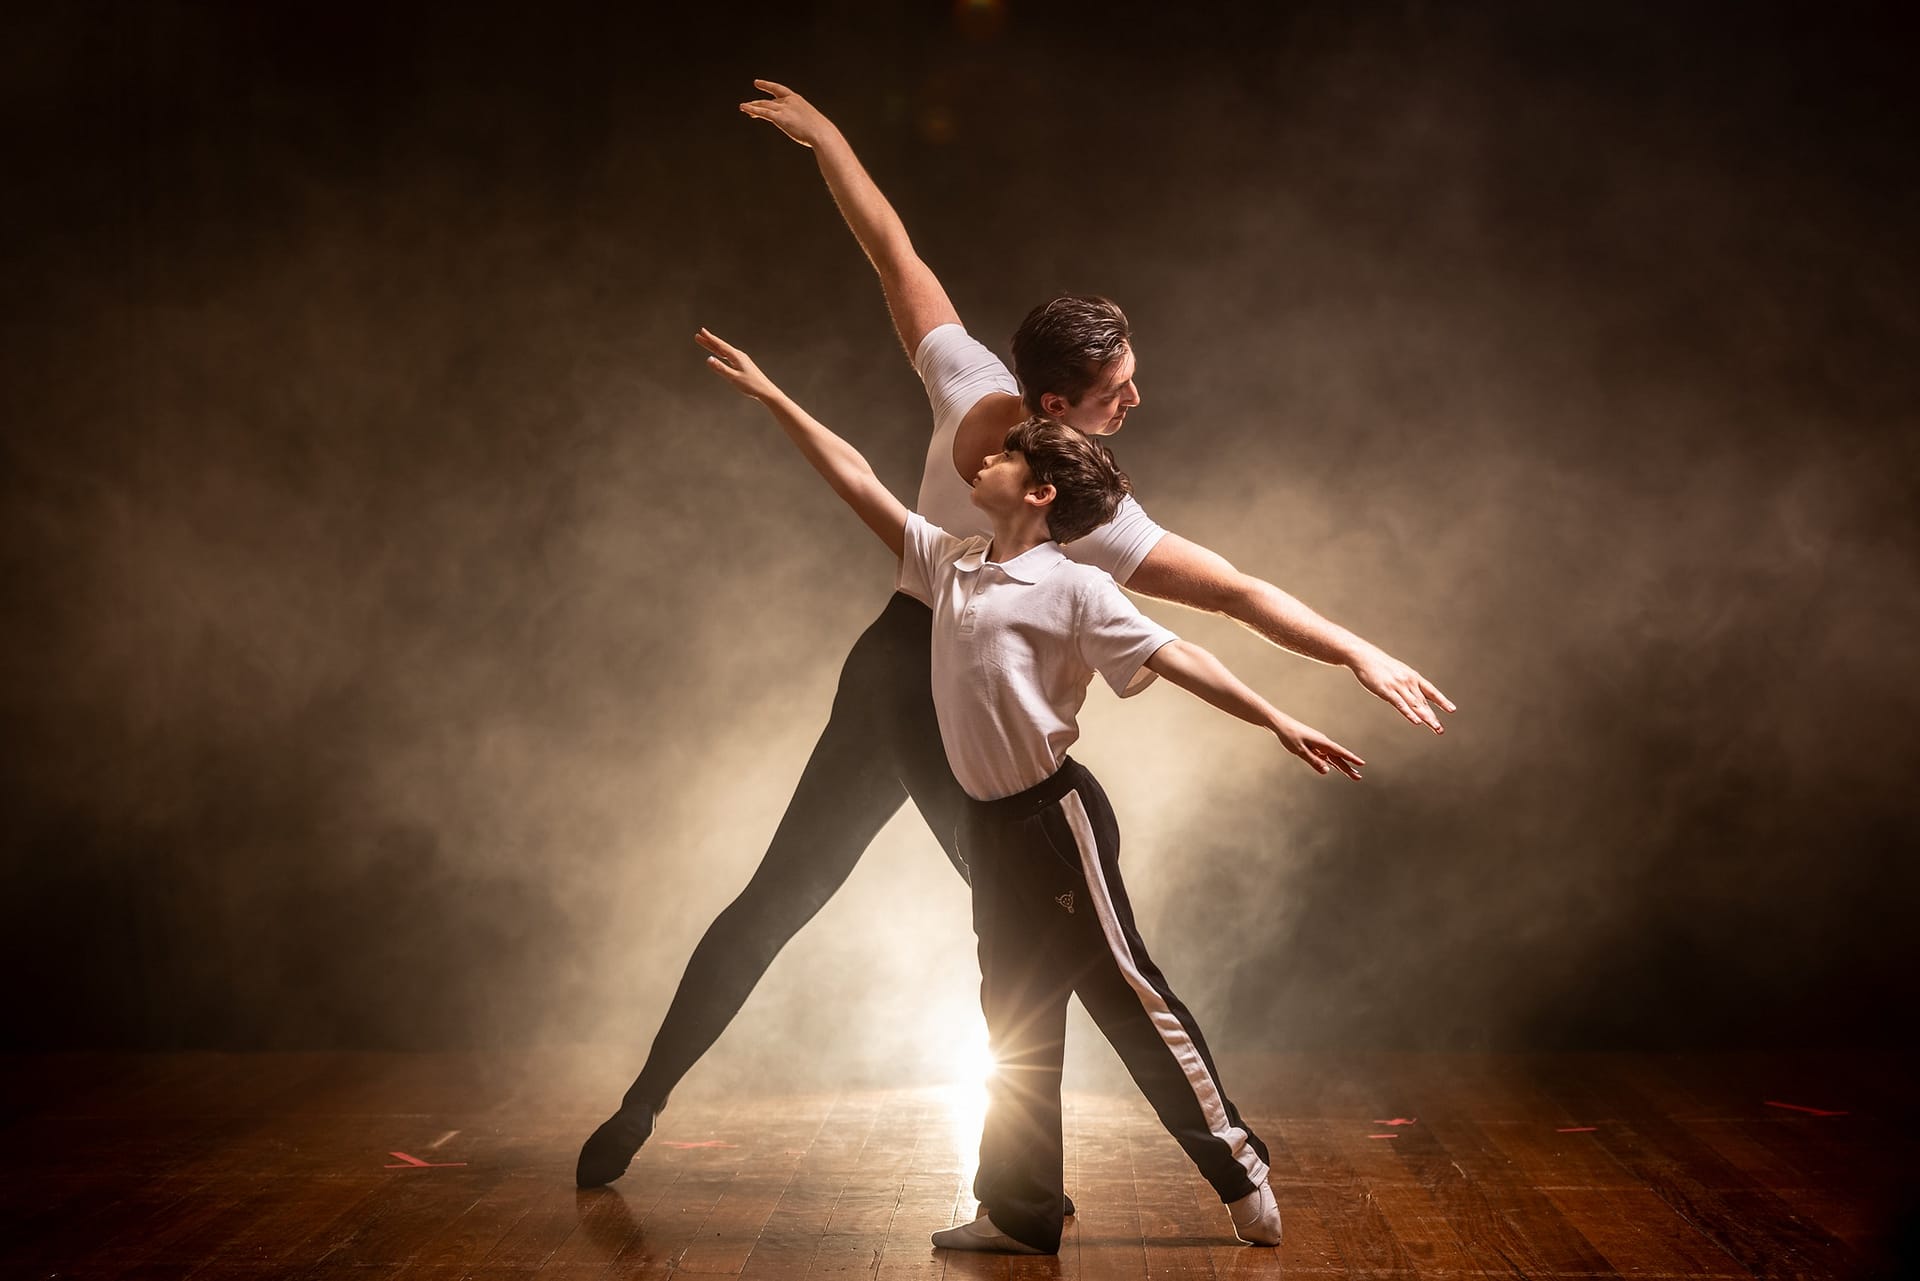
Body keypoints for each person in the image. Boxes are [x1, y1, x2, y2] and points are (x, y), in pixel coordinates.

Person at [575, 81, 1453, 1191]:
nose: (1135, 401)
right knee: (1014, 939)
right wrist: (1354, 651)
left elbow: (891, 249)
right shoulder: (1081, 510)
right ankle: (1131, 1177)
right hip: (927, 697)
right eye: (1116, 391)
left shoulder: (973, 386)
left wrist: (829, 138)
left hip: (909, 677)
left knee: (870, 912)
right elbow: (1235, 594)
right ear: (1053, 407)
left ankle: (672, 1116)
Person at [695, 326, 1364, 1252]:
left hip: (1055, 824)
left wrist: (1277, 717)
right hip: (989, 828)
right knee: (1012, 1016)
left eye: (1008, 455)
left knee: (1129, 995)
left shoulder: (1076, 588)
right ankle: (1021, 1209)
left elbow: (1182, 655)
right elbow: (857, 480)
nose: (987, 455)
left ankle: (1241, 1170)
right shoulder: (951, 563)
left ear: (1040, 491)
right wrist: (775, 398)